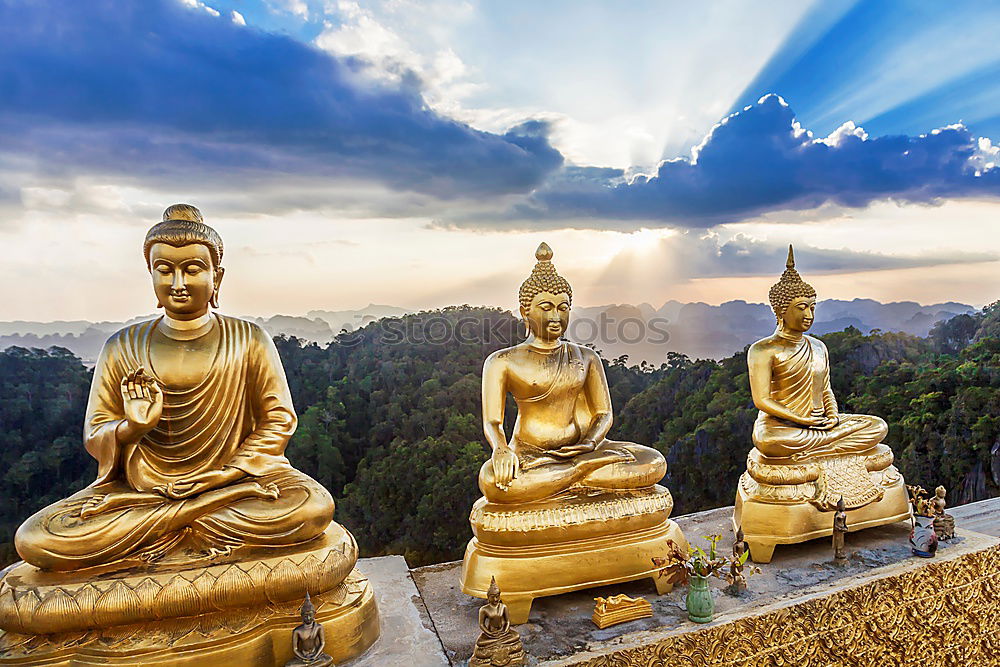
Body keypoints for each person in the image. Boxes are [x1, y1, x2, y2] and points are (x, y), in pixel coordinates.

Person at [15, 204, 334, 570]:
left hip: (232, 484)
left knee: (312, 509)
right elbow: (95, 433)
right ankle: (189, 522)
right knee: (37, 539)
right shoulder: (123, 346)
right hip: (145, 492)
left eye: (193, 269)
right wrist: (132, 427)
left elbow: (277, 421)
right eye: (164, 270)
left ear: (218, 276)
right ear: (150, 276)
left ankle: (172, 529)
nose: (178, 283)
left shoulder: (248, 338)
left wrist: (226, 474)